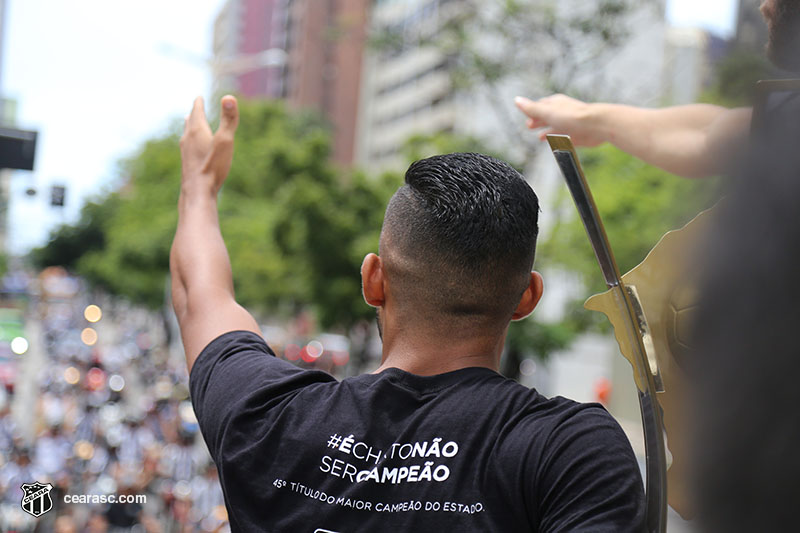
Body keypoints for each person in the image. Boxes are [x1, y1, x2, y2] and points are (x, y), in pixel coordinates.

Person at [172, 96, 645, 531]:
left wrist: (199, 188)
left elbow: (201, 296)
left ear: (373, 280)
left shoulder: (270, 419)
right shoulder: (570, 453)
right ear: (528, 297)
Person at [514, 0, 800, 179]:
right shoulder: (785, 116)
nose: (764, 6)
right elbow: (709, 135)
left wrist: (593, 119)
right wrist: (592, 119)